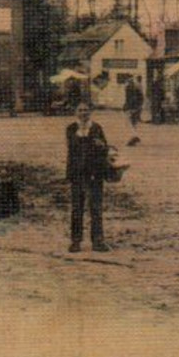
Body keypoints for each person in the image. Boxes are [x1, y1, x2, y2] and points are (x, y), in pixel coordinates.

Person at [66, 102, 112, 252]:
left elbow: (105, 148)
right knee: (77, 208)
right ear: (75, 112)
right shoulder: (72, 129)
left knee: (96, 208)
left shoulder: (97, 128)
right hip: (78, 174)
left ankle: (98, 241)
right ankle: (76, 241)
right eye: (80, 110)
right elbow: (73, 147)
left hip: (95, 173)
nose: (83, 113)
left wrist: (102, 146)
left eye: (86, 110)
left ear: (90, 112)